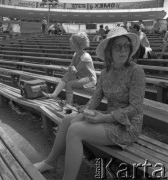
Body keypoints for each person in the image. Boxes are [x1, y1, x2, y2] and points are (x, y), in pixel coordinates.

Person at [34, 27, 146, 180]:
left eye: (126, 45)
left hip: (127, 126)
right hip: (109, 117)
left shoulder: (136, 71)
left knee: (75, 131)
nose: (123, 50)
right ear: (109, 51)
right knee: (68, 120)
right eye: (118, 46)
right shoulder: (106, 73)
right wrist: (84, 112)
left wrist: (102, 118)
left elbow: (135, 108)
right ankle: (50, 162)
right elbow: (95, 98)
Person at [42, 32, 97, 105]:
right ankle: (55, 96)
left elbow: (75, 70)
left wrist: (69, 69)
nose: (70, 44)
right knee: (68, 75)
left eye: (72, 42)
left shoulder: (85, 56)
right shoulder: (75, 54)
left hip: (90, 80)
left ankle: (68, 103)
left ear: (77, 44)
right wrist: (66, 69)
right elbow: (71, 67)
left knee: (69, 84)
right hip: (81, 77)